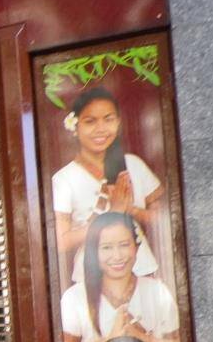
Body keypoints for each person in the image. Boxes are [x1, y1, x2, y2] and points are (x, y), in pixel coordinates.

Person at [61, 211, 181, 342]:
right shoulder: (75, 296)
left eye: (124, 245)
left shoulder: (157, 290)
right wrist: (110, 341)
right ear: (93, 252)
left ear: (137, 247)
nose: (117, 256)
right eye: (106, 247)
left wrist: (144, 340)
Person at [52, 87, 163, 283]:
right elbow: (61, 241)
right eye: (90, 121)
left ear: (118, 122)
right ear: (74, 126)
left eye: (108, 119)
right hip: (92, 280)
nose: (101, 129)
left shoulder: (133, 165)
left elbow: (164, 218)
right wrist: (109, 214)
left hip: (140, 270)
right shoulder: (64, 178)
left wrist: (130, 210)